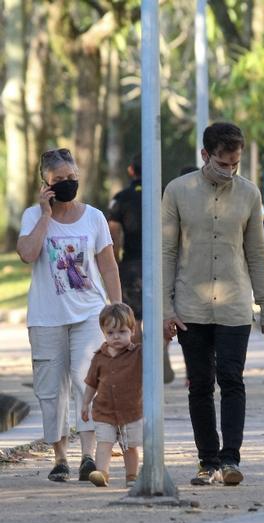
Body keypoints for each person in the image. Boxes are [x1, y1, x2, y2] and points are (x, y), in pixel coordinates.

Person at [162, 122, 264, 487]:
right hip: (191, 307)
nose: (229, 171)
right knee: (199, 384)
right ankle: (207, 461)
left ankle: (231, 459)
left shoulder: (249, 194)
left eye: (235, 164)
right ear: (205, 155)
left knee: (232, 379)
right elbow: (167, 251)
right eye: (222, 163)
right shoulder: (178, 191)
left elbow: (257, 253)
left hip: (234, 307)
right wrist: (166, 308)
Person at [17, 148, 121, 482]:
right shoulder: (33, 216)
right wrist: (46, 214)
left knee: (88, 382)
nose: (66, 184)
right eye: (58, 180)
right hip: (46, 317)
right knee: (50, 390)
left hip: (89, 313)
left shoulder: (94, 217)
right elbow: (27, 254)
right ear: (45, 183)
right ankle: (60, 457)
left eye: (71, 178)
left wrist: (116, 309)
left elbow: (107, 264)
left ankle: (88, 457)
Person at [107, 153, 175, 383]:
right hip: (163, 264)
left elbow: (114, 233)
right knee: (162, 315)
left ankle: (139, 367)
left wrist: (115, 262)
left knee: (133, 319)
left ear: (130, 171)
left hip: (133, 266)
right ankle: (160, 354)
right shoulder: (167, 194)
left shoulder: (121, 199)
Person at [81, 303, 142, 488]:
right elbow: (91, 383)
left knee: (130, 446)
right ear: (103, 332)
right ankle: (102, 473)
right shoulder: (99, 357)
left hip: (131, 411)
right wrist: (85, 404)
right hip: (104, 410)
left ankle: (132, 476)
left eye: (122, 332)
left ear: (132, 330)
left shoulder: (139, 354)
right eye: (111, 333)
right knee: (104, 443)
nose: (116, 337)